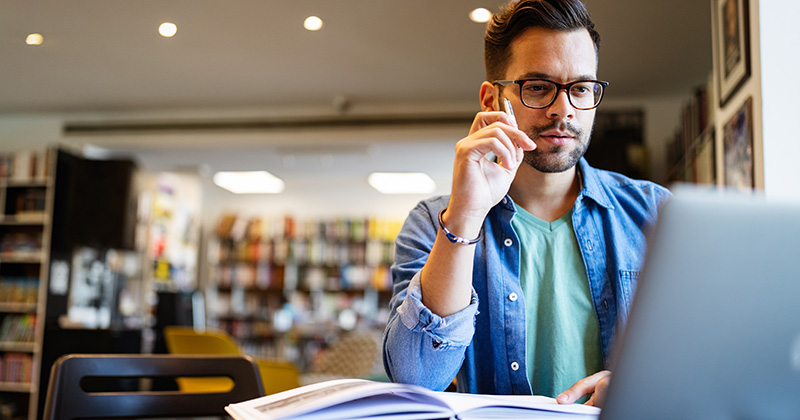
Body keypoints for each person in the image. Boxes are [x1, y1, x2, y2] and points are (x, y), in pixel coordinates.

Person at [382, 0, 671, 407]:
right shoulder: (433, 223)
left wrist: (644, 385)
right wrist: (465, 215)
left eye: (581, 88)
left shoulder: (655, 214)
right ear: (491, 99)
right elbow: (417, 378)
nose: (563, 109)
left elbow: (708, 356)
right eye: (538, 87)